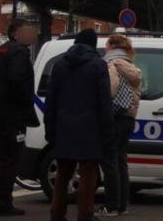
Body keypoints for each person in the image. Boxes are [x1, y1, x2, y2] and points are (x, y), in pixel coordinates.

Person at [45, 29, 113, 221]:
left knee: (62, 174)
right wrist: (108, 132)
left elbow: (51, 100)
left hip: (64, 127)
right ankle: (85, 214)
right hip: (90, 129)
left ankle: (57, 214)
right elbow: (104, 102)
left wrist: (50, 129)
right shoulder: (98, 66)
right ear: (92, 45)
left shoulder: (59, 66)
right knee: (88, 176)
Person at [0, 19, 39, 216]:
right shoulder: (19, 52)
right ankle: (2, 202)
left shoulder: (0, 51)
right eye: (29, 31)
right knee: (9, 159)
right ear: (16, 33)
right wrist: (23, 103)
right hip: (12, 116)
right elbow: (18, 81)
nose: (33, 35)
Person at [97, 35, 143, 217]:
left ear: (112, 46)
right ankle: (123, 204)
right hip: (129, 117)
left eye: (107, 44)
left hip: (114, 116)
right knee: (121, 161)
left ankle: (111, 205)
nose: (105, 48)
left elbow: (111, 89)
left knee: (109, 161)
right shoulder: (132, 67)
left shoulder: (112, 64)